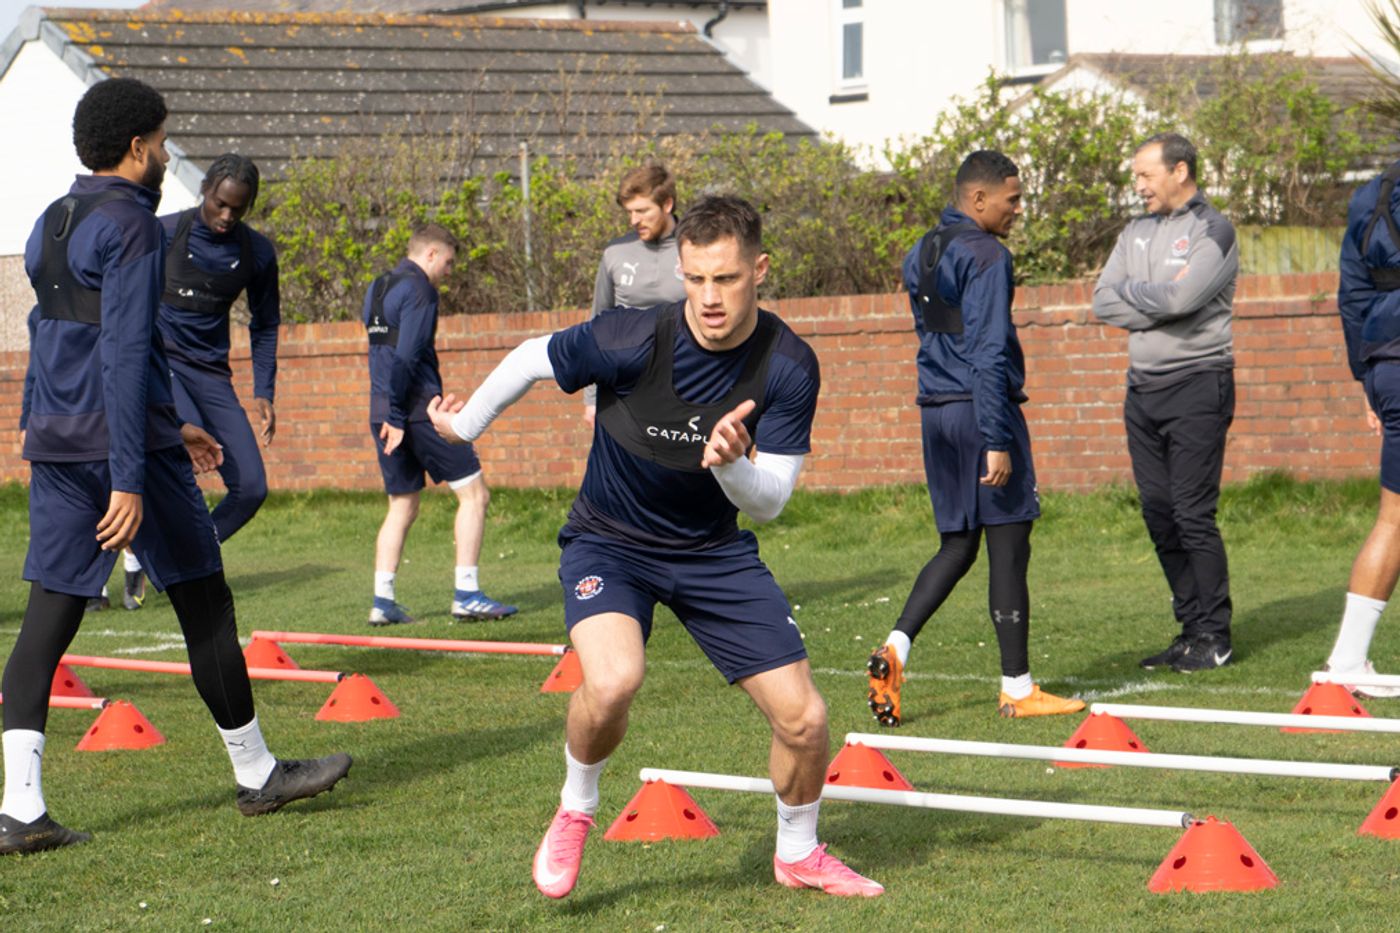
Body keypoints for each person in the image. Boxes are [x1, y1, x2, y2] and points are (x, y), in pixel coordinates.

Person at [428, 195, 883, 898]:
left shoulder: (788, 365)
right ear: (681, 269)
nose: (708, 297)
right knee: (612, 681)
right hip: (609, 542)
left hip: (711, 550)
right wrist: (464, 429)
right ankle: (576, 806)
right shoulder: (629, 337)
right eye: (695, 278)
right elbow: (529, 357)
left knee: (807, 717)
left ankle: (797, 852)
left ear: (759, 271)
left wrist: (731, 462)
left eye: (726, 279)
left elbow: (773, 499)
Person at [1, 78, 350, 856]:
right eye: (161, 142)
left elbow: (67, 341)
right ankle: (258, 773)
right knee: (204, 600)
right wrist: (131, 472)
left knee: (45, 621)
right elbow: (124, 352)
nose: (165, 154)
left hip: (56, 441)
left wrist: (177, 419)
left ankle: (20, 808)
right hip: (127, 453)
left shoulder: (48, 220)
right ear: (136, 148)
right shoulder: (133, 223)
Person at [866, 151, 1085, 728]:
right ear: (979, 199)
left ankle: (895, 648)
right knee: (1009, 547)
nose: (1019, 209)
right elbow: (988, 351)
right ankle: (1018, 687)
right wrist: (996, 437)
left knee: (958, 545)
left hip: (936, 413)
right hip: (980, 412)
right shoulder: (987, 254)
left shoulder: (923, 250)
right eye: (1012, 199)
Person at [1092, 132, 1238, 673]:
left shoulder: (1213, 230)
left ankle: (1215, 635)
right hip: (1143, 391)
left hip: (1199, 384)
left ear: (1179, 171)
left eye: (1145, 175)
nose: (1138, 186)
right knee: (1158, 513)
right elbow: (1103, 298)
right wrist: (1158, 299)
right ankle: (1190, 627)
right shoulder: (1135, 231)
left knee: (1192, 514)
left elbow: (1185, 298)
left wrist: (1145, 295)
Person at [116, 154, 283, 612]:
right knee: (172, 469)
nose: (227, 216)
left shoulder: (257, 253)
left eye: (238, 209)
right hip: (161, 363)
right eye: (219, 203)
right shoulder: (162, 232)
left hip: (211, 373)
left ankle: (176, 558)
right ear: (204, 189)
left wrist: (264, 390)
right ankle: (122, 563)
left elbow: (265, 325)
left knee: (251, 487)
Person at [364, 224, 515, 625]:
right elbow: (407, 356)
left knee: (402, 504)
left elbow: (384, 357)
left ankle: (383, 601)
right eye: (447, 262)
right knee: (475, 495)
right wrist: (399, 415)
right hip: (416, 413)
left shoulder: (377, 286)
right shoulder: (420, 290)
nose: (448, 272)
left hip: (380, 409)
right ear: (431, 255)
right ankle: (466, 593)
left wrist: (389, 413)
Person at [1319, 159, 1400, 698]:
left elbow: (1353, 294)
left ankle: (1348, 658)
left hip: (1386, 362)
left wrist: (1364, 379)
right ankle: (1346, 660)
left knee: (1395, 517)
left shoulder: (1372, 194)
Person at [581, 162, 686, 427]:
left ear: (667, 205)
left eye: (642, 211)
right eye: (629, 212)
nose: (634, 220)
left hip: (687, 384)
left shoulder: (696, 247)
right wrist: (591, 399)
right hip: (625, 389)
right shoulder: (615, 253)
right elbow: (598, 325)